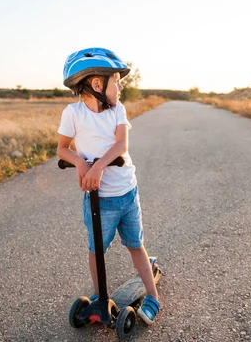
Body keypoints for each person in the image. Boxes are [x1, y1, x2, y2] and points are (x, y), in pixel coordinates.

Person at [56, 47, 160, 325]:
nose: (121, 85)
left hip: (126, 191)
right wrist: (79, 162)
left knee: (136, 245)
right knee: (96, 249)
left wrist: (98, 165)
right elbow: (62, 149)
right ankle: (100, 296)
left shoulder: (118, 110)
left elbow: (121, 145)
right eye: (117, 79)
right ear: (97, 84)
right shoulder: (73, 113)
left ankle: (152, 296)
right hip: (98, 200)